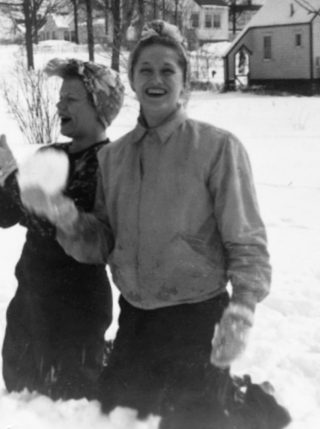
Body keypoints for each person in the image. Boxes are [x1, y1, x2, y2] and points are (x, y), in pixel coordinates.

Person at [30, 21, 282, 428]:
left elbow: (246, 239)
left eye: (168, 70)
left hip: (198, 318)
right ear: (132, 80)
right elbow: (103, 243)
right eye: (145, 69)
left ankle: (247, 402)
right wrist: (64, 216)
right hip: (137, 318)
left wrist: (243, 307)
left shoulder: (218, 148)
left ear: (184, 81)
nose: (156, 79)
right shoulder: (113, 160)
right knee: (118, 415)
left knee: (192, 420)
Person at [0, 59, 125, 400]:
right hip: (31, 293)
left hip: (76, 303)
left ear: (99, 107)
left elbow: (54, 223)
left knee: (71, 397)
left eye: (71, 99)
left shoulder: (109, 162)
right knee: (20, 389)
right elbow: (7, 216)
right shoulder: (49, 153)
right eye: (60, 97)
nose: (59, 105)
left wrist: (11, 177)